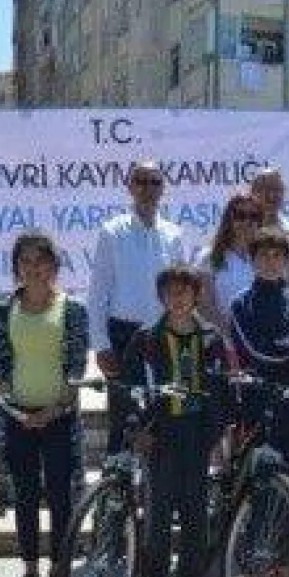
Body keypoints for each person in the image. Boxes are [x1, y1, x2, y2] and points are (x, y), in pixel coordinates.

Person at [0, 232, 89, 577]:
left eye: (42, 261)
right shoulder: (2, 311)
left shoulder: (73, 310)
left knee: (61, 496)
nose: (34, 269)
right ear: (16, 268)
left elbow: (76, 369)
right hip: (18, 420)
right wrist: (17, 413)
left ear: (54, 266)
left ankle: (59, 568)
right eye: (26, 261)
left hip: (58, 418)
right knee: (25, 495)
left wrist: (54, 408)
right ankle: (29, 569)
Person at [124, 264, 229, 577]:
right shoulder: (146, 338)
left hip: (198, 432)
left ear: (197, 295)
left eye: (185, 291)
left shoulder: (211, 338)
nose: (178, 298)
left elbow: (222, 391)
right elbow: (130, 388)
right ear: (161, 297)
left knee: (195, 511)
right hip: (161, 433)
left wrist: (217, 438)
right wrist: (138, 428)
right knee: (158, 510)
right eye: (171, 292)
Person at [89, 160, 190, 452]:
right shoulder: (112, 231)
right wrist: (101, 345)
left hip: (165, 336)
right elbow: (97, 294)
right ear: (130, 187)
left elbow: (182, 292)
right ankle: (117, 495)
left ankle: (159, 493)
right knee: (125, 422)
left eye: (155, 182)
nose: (148, 189)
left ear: (163, 189)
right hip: (124, 338)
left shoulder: (174, 234)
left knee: (164, 420)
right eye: (141, 181)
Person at [229, 229, 289, 491]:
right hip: (258, 396)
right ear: (252, 260)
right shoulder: (240, 303)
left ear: (287, 260)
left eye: (277, 255)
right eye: (263, 255)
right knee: (256, 473)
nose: (270, 261)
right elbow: (254, 351)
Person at [197, 193, 265, 329]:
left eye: (253, 216)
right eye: (240, 215)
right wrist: (232, 333)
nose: (247, 222)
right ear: (229, 219)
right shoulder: (209, 257)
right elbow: (205, 306)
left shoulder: (266, 258)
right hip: (223, 341)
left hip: (260, 340)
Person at [250, 167, 289, 260]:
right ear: (253, 193)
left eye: (276, 189)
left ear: (284, 193)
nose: (271, 195)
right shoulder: (244, 235)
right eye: (264, 189)